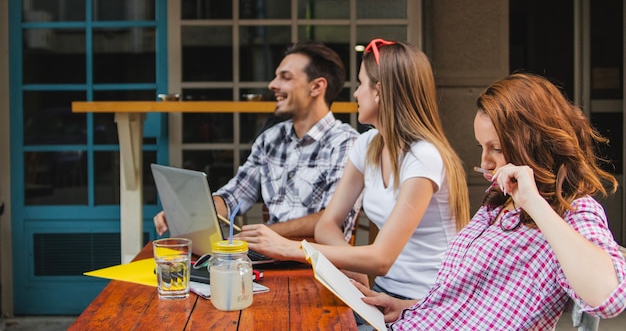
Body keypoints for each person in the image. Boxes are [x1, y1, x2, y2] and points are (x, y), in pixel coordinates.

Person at [354, 73, 626, 330]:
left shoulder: (573, 210)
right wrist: (408, 307)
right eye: (480, 147)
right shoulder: (497, 203)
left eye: (495, 148)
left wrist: (534, 202)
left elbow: (608, 298)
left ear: (534, 144)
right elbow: (475, 306)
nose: (484, 162)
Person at [236, 39, 470, 306]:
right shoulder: (368, 145)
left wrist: (291, 248)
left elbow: (381, 259)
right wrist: (356, 269)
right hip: (384, 292)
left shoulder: (423, 157)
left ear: (379, 91)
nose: (356, 94)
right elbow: (327, 224)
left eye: (360, 84)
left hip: (431, 300)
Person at [153, 41, 360, 240]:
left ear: (316, 87)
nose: (272, 85)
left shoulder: (346, 144)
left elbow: (333, 220)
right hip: (270, 256)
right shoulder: (271, 139)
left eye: (285, 77)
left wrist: (266, 233)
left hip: (320, 262)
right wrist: (188, 214)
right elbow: (233, 196)